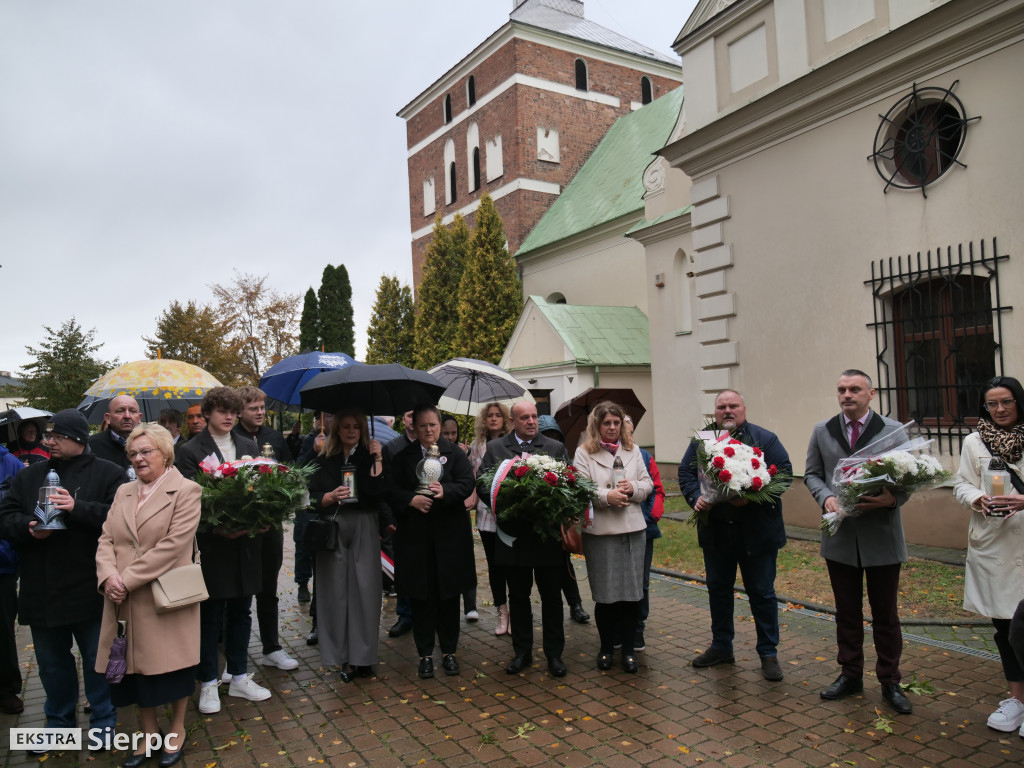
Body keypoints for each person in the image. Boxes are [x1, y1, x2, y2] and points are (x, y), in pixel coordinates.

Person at [0, 409, 123, 748]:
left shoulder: (108, 473)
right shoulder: (29, 476)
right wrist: (26, 529)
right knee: (52, 666)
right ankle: (58, 725)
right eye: (48, 436)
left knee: (98, 661)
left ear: (79, 439)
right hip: (41, 589)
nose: (48, 441)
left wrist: (76, 507)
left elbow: (119, 520)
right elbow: (6, 516)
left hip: (90, 586)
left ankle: (104, 721)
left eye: (57, 436)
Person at [805, 369, 913, 714]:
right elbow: (811, 473)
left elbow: (912, 474)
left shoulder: (894, 431)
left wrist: (892, 500)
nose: (847, 395)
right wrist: (825, 498)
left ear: (871, 393)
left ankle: (890, 681)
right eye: (841, 389)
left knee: (886, 615)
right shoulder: (823, 430)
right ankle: (850, 675)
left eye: (854, 389)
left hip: (881, 535)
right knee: (846, 613)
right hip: (841, 536)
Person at [95, 424, 201, 768]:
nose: (138, 458)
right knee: (135, 671)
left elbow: (173, 547)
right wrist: (107, 575)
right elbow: (106, 539)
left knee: (173, 668)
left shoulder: (187, 490)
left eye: (146, 451)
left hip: (164, 596)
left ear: (165, 453)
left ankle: (177, 730)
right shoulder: (123, 491)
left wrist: (126, 578)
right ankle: (147, 732)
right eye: (133, 453)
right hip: (122, 599)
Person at [678, 391, 791, 680]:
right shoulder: (704, 440)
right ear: (714, 412)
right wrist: (696, 498)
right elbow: (685, 472)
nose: (727, 411)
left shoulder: (765, 439)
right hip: (717, 531)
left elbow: (784, 474)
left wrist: (753, 497)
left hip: (757, 534)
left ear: (744, 408)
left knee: (762, 593)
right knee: (718, 590)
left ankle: (768, 653)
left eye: (733, 406)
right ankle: (721, 647)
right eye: (721, 407)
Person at [175, 386, 268, 714]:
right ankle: (209, 683)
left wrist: (261, 517)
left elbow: (260, 486)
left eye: (233, 411)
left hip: (245, 542)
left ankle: (239, 676)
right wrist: (217, 527)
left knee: (242, 611)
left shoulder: (247, 444)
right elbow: (186, 500)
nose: (229, 416)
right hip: (213, 544)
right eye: (221, 411)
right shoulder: (190, 451)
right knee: (210, 615)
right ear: (208, 414)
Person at [477, 401, 572, 678]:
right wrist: (509, 503)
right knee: (518, 596)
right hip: (513, 536)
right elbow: (483, 484)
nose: (531, 422)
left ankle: (554, 655)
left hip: (546, 537)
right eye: (525, 418)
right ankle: (522, 652)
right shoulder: (496, 449)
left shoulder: (554, 448)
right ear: (512, 421)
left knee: (552, 597)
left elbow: (569, 482)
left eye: (534, 417)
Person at [952, 376, 1024, 735]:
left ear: (1018, 401)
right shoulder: (974, 441)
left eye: (1006, 402)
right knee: (1007, 629)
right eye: (992, 404)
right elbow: (962, 482)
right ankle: (1017, 701)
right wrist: (977, 498)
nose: (999, 409)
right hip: (993, 543)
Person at [386, 405, 475, 679]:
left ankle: (448, 652)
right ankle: (425, 655)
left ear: (440, 425)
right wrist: (410, 499)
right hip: (416, 538)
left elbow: (468, 483)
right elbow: (390, 489)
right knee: (421, 598)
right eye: (422, 426)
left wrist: (445, 491)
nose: (428, 431)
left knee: (449, 597)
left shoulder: (454, 453)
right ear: (415, 427)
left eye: (432, 425)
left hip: (450, 538)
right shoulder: (403, 456)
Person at [573, 401, 652, 674]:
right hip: (601, 532)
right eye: (606, 423)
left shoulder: (634, 450)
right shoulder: (583, 452)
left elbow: (648, 483)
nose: (612, 427)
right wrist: (607, 496)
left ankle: (629, 650)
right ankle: (607, 648)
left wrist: (632, 489)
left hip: (632, 530)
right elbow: (580, 487)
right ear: (597, 425)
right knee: (605, 596)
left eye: (616, 423)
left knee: (632, 595)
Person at [308, 408, 385, 682]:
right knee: (334, 593)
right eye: (346, 426)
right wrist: (328, 497)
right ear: (336, 429)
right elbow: (308, 495)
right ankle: (342, 659)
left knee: (365, 591)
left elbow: (378, 495)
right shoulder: (322, 458)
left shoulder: (370, 456)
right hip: (333, 525)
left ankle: (363, 658)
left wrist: (377, 459)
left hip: (364, 523)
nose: (351, 431)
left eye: (356, 426)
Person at [233, 386, 298, 673]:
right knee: (240, 594)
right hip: (241, 528)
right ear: (240, 412)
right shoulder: (232, 438)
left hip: (271, 526)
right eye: (253, 408)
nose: (260, 412)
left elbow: (290, 471)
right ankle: (235, 656)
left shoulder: (273, 437)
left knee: (269, 588)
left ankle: (272, 648)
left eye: (262, 407)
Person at [537, 415, 590, 625]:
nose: (552, 439)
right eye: (547, 435)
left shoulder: (562, 453)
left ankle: (575, 605)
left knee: (563, 564)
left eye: (555, 435)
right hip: (538, 521)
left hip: (558, 519)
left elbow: (574, 479)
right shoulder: (531, 455)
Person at [470, 402, 513, 635]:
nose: (494, 419)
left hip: (508, 512)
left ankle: (515, 611)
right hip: (486, 514)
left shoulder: (511, 443)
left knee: (512, 565)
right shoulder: (477, 446)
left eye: (498, 415)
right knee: (495, 566)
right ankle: (502, 611)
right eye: (490, 415)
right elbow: (474, 476)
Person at [622, 415, 664, 653]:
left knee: (641, 583)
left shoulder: (644, 456)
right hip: (614, 528)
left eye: (630, 432)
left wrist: (648, 519)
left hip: (643, 530)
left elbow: (657, 491)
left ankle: (638, 628)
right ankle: (617, 627)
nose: (626, 436)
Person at [441, 414, 479, 622]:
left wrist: (464, 456)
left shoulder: (463, 452)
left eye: (453, 433)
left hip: (462, 512)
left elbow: (469, 480)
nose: (450, 437)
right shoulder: (434, 453)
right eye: (445, 433)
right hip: (443, 513)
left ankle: (471, 605)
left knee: (466, 556)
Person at [383, 410, 416, 639]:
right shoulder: (392, 447)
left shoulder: (433, 446)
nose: (413, 420)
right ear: (403, 419)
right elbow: (385, 487)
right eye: (409, 415)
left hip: (426, 516)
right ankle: (405, 615)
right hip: (401, 517)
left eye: (417, 415)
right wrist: (388, 519)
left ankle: (429, 614)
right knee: (404, 569)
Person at [0, 443, 24, 714]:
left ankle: (5, 688)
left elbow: (19, 515)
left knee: (3, 632)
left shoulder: (10, 465)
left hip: (2, 566)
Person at [89, 395, 143, 474]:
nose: (127, 416)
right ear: (108, 418)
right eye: (120, 411)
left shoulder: (152, 445)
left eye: (132, 411)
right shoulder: (91, 446)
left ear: (139, 418)